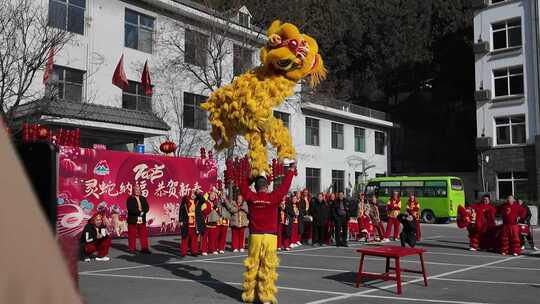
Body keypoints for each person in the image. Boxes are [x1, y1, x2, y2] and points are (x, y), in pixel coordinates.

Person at [239, 162, 296, 304]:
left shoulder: (251, 197)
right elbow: (285, 187)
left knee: (253, 265)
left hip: (255, 236)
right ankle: (265, 297)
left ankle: (250, 294)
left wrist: (252, 176)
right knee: (268, 267)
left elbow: (242, 185)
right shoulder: (273, 197)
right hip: (270, 237)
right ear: (267, 186)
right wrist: (290, 171)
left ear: (256, 187)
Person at [179, 190, 209, 257]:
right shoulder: (185, 201)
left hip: (195, 223)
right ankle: (183, 252)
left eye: (194, 194)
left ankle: (194, 251)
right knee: (185, 238)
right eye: (192, 194)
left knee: (194, 238)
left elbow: (203, 200)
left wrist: (198, 193)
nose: (193, 196)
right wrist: (180, 220)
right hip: (186, 222)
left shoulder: (198, 201)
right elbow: (181, 211)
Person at [126, 184, 151, 254]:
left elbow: (147, 207)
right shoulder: (130, 198)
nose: (137, 191)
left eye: (138, 190)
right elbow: (130, 209)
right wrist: (139, 212)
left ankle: (144, 248)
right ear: (133, 191)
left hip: (142, 219)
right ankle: (132, 249)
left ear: (140, 190)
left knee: (143, 235)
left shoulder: (143, 198)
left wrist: (143, 212)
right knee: (132, 235)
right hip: (133, 219)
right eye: (135, 190)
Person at [204, 191, 220, 255]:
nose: (212, 197)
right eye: (211, 195)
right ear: (209, 195)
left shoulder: (215, 203)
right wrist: (210, 209)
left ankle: (213, 249)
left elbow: (218, 212)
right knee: (205, 237)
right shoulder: (205, 202)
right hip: (206, 222)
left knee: (213, 237)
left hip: (213, 223)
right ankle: (204, 250)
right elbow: (204, 211)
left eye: (214, 195)